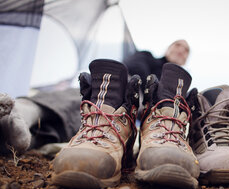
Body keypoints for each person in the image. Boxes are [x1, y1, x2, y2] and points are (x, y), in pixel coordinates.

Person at [0, 39, 191, 155]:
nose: (180, 50)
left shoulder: (181, 86)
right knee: (81, 101)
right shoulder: (147, 57)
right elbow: (132, 70)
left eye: (186, 50)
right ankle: (22, 111)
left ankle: (17, 137)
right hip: (115, 92)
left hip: (135, 112)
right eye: (177, 45)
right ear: (168, 48)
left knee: (83, 125)